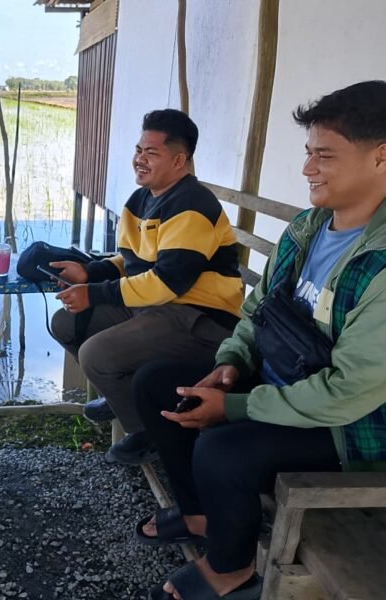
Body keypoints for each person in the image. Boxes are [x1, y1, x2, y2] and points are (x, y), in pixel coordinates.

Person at [134, 80, 386, 600]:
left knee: (223, 450)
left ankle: (232, 569)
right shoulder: (309, 226)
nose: (306, 169)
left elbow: (350, 392)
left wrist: (234, 407)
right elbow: (260, 310)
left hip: (354, 424)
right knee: (158, 385)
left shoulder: (385, 261)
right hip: (284, 376)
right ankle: (203, 516)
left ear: (382, 157)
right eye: (307, 153)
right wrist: (232, 361)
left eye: (324, 156)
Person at [50, 109, 243, 465]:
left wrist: (94, 293)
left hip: (200, 317)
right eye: (138, 149)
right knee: (66, 322)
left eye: (151, 153)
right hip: (158, 307)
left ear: (179, 159)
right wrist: (89, 272)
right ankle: (120, 392)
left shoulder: (191, 205)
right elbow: (131, 260)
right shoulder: (142, 200)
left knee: (98, 355)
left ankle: (151, 433)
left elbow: (166, 282)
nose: (139, 159)